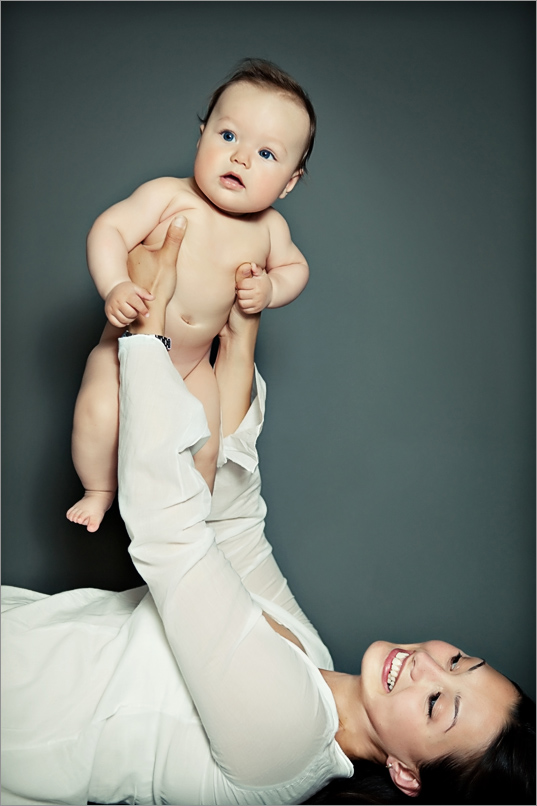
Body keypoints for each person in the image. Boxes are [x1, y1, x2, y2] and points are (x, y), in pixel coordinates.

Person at [2, 223, 535, 806]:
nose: (427, 668)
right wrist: (239, 345)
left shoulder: (287, 739)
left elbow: (170, 537)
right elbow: (228, 523)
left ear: (408, 774)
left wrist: (147, 334)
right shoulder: (314, 662)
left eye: (437, 704)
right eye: (458, 660)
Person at [67, 58, 315, 532]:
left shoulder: (270, 229)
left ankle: (192, 511)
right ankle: (99, 490)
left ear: (289, 182)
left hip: (194, 364)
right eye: (228, 137)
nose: (240, 157)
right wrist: (114, 285)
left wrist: (270, 288)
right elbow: (109, 229)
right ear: (202, 135)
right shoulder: (168, 195)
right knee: (99, 413)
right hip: (122, 352)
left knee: (207, 440)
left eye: (266, 154)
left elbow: (296, 269)